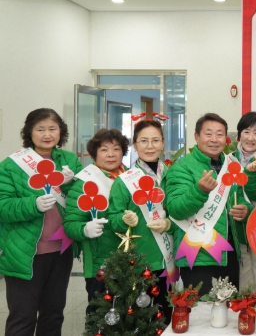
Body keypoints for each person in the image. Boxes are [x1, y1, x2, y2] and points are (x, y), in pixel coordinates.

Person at [0, 108, 82, 336]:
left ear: (61, 131)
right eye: (40, 129)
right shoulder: (11, 165)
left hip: (61, 251)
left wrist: (70, 184)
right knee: (23, 317)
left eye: (52, 129)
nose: (47, 134)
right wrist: (32, 205)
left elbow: (82, 199)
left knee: (53, 314)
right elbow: (3, 207)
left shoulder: (69, 160)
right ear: (29, 132)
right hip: (24, 252)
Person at [165, 113, 255, 294]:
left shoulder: (230, 165)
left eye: (219, 134)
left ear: (226, 139)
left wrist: (246, 210)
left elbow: (240, 197)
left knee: (230, 308)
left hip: (230, 252)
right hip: (198, 254)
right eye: (208, 134)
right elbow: (175, 209)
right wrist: (199, 191)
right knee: (202, 309)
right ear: (196, 136)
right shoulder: (181, 167)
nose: (214, 139)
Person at [107, 118, 176, 324]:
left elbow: (184, 212)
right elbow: (113, 218)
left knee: (169, 317)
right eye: (143, 141)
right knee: (142, 321)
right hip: (140, 262)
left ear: (163, 143)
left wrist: (169, 223)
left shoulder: (173, 176)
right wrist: (123, 219)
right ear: (135, 145)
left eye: (155, 140)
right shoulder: (125, 181)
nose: (149, 146)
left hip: (172, 259)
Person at [63, 128, 129, 314]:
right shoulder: (84, 182)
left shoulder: (132, 178)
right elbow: (70, 224)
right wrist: (84, 229)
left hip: (132, 259)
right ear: (94, 153)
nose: (111, 154)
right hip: (101, 262)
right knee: (101, 316)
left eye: (116, 149)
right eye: (104, 150)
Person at [233, 112, 256, 295]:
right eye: (246, 131)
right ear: (239, 134)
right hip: (237, 228)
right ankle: (244, 311)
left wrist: (253, 173)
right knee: (243, 279)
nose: (250, 138)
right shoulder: (228, 159)